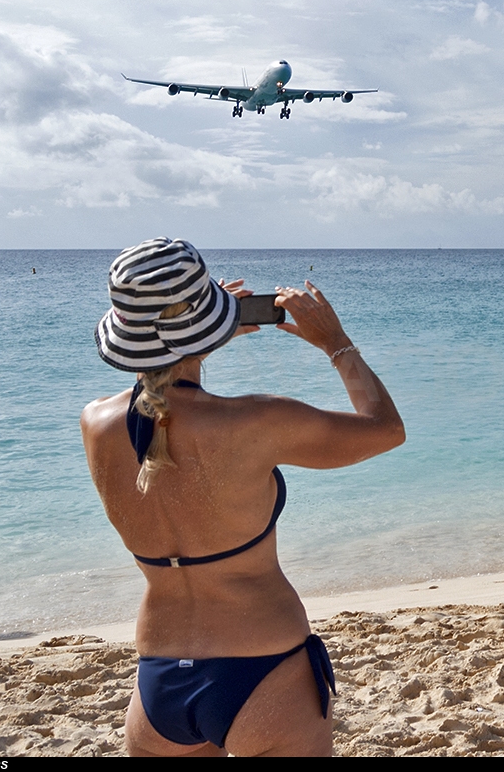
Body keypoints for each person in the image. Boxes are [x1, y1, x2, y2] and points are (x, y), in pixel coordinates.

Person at [80, 237, 404, 756]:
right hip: (263, 668)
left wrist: (196, 340)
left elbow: (163, 409)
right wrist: (336, 343)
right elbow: (384, 429)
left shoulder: (95, 424)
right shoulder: (258, 421)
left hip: (160, 676)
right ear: (205, 325)